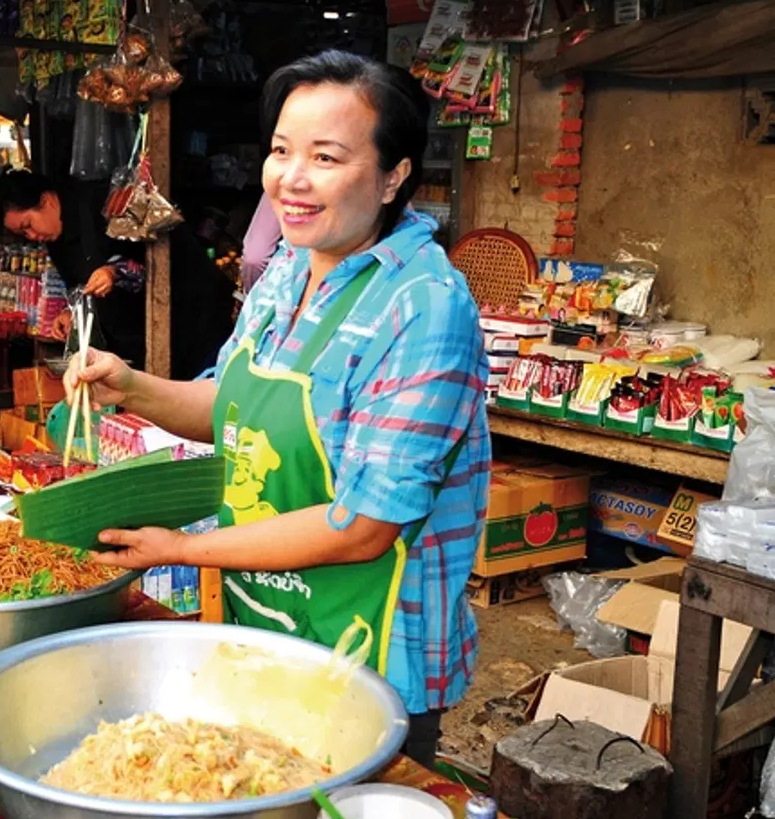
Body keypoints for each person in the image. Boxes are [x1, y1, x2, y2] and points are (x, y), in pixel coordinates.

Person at [65, 51, 491, 766]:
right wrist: (129, 385)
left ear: (394, 176)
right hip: (267, 625)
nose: (290, 179)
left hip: (373, 651)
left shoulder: (424, 307)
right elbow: (228, 406)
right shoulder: (286, 273)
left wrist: (183, 550)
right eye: (281, 151)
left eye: (325, 157)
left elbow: (363, 528)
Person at [0, 169, 236, 380]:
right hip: (133, 340)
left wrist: (114, 271)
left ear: (47, 201)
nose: (31, 236)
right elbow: (81, 286)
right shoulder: (57, 241)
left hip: (191, 317)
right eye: (24, 234)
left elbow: (154, 253)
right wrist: (72, 310)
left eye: (28, 225)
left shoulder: (101, 204)